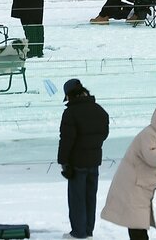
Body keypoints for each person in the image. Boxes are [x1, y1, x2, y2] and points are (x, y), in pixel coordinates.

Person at [100, 104, 156, 240]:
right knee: (137, 226)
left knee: (138, 225)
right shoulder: (148, 136)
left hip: (140, 188)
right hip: (133, 188)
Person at [59, 79, 110, 240]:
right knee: (90, 197)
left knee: (77, 199)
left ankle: (78, 233)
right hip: (94, 161)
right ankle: (88, 231)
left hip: (76, 163)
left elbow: (66, 140)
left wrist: (63, 161)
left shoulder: (70, 113)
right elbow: (104, 134)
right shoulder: (99, 110)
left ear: (69, 95)